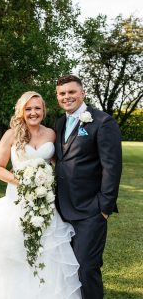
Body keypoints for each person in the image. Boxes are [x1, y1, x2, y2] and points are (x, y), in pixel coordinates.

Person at [0, 91, 82, 299]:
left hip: (44, 205)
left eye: (37, 108)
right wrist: (23, 181)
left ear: (44, 110)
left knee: (47, 253)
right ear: (21, 111)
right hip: (16, 203)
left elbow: (58, 166)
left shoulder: (51, 134)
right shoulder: (12, 134)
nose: (33, 113)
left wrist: (48, 179)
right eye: (28, 109)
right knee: (13, 254)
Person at [55, 75, 122, 299]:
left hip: (91, 210)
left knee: (86, 267)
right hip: (62, 209)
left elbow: (112, 167)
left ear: (82, 93)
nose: (67, 97)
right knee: (66, 266)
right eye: (62, 93)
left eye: (71, 92)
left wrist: (104, 207)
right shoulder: (59, 123)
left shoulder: (103, 122)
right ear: (57, 97)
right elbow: (62, 160)